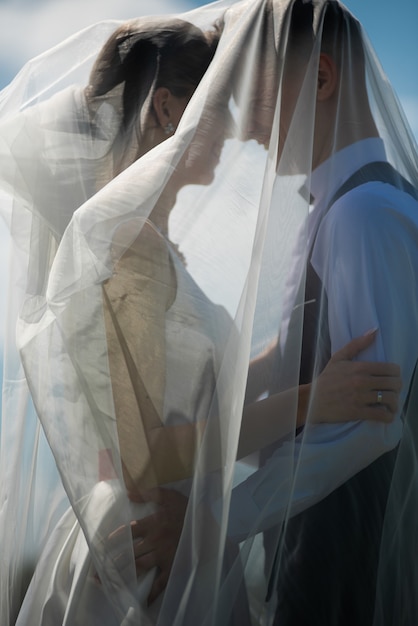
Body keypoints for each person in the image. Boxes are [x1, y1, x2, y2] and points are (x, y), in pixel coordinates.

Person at [0, 3, 407, 625]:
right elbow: (139, 456)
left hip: (189, 528)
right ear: (169, 110)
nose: (240, 129)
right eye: (223, 103)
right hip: (149, 533)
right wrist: (310, 400)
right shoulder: (122, 256)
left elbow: (213, 384)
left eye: (245, 101)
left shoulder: (167, 250)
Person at [129, 1, 418, 624]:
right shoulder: (331, 211)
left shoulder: (364, 216)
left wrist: (212, 523)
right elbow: (294, 357)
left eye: (259, 107)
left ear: (320, 79)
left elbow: (370, 422)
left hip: (349, 561)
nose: (249, 132)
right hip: (308, 542)